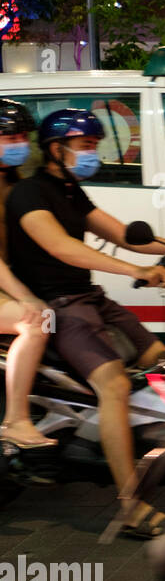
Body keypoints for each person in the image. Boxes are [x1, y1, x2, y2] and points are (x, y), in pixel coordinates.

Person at [6, 109, 165, 529]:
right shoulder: (29, 193)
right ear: (56, 148)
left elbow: (122, 233)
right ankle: (131, 504)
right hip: (61, 306)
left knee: (163, 362)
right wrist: (135, 271)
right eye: (85, 146)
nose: (92, 154)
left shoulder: (70, 189)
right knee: (115, 385)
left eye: (94, 146)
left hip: (92, 298)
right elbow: (63, 248)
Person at [0, 99, 56, 449]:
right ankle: (16, 420)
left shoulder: (14, 180)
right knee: (37, 321)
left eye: (23, 137)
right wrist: (23, 295)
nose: (20, 144)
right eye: (10, 138)